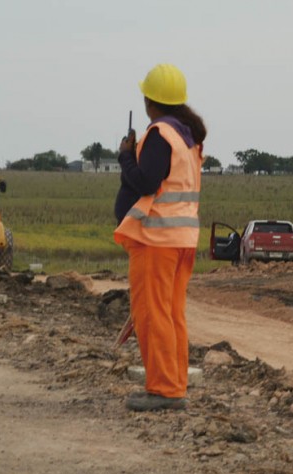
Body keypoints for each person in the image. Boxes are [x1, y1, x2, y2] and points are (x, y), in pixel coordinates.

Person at [114, 63, 207, 412]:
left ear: (150, 100)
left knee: (153, 315)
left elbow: (145, 182)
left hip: (157, 241)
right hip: (181, 239)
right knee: (171, 314)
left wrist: (125, 155)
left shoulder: (160, 134)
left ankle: (164, 390)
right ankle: (173, 385)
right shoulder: (186, 137)